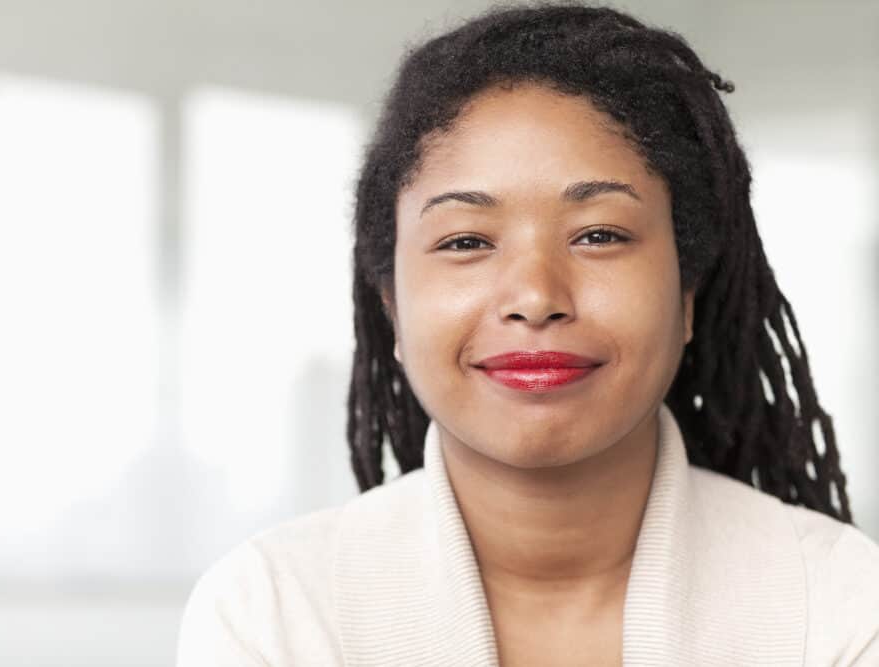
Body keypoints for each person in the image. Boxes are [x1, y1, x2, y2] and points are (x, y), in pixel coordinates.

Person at [176, 3, 879, 665]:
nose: (536, 296)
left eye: (599, 234)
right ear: (392, 306)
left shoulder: (841, 604)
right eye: (466, 241)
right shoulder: (271, 614)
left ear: (686, 294)